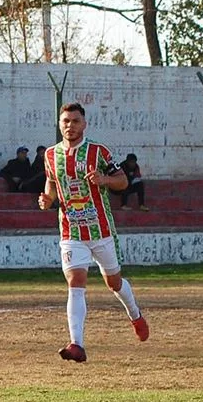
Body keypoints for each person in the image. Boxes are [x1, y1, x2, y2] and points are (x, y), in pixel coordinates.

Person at [38, 103, 149, 362]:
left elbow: (122, 181)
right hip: (70, 231)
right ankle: (76, 344)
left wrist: (105, 180)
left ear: (84, 124)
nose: (70, 125)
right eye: (66, 121)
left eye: (75, 121)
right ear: (59, 124)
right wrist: (47, 199)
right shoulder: (51, 155)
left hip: (100, 230)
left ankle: (135, 314)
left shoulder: (99, 152)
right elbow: (52, 184)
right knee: (75, 281)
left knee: (114, 283)